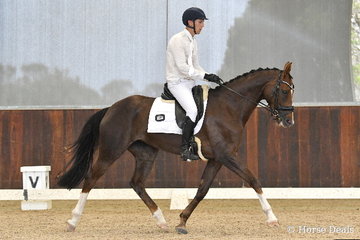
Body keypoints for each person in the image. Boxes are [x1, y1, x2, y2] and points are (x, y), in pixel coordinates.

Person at [166, 7, 222, 161]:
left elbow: (196, 67)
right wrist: (205, 75)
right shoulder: (177, 40)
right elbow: (183, 68)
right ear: (190, 22)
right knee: (192, 110)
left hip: (189, 83)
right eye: (200, 22)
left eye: (202, 22)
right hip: (177, 83)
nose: (203, 25)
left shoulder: (193, 42)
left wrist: (209, 77)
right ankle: (184, 148)